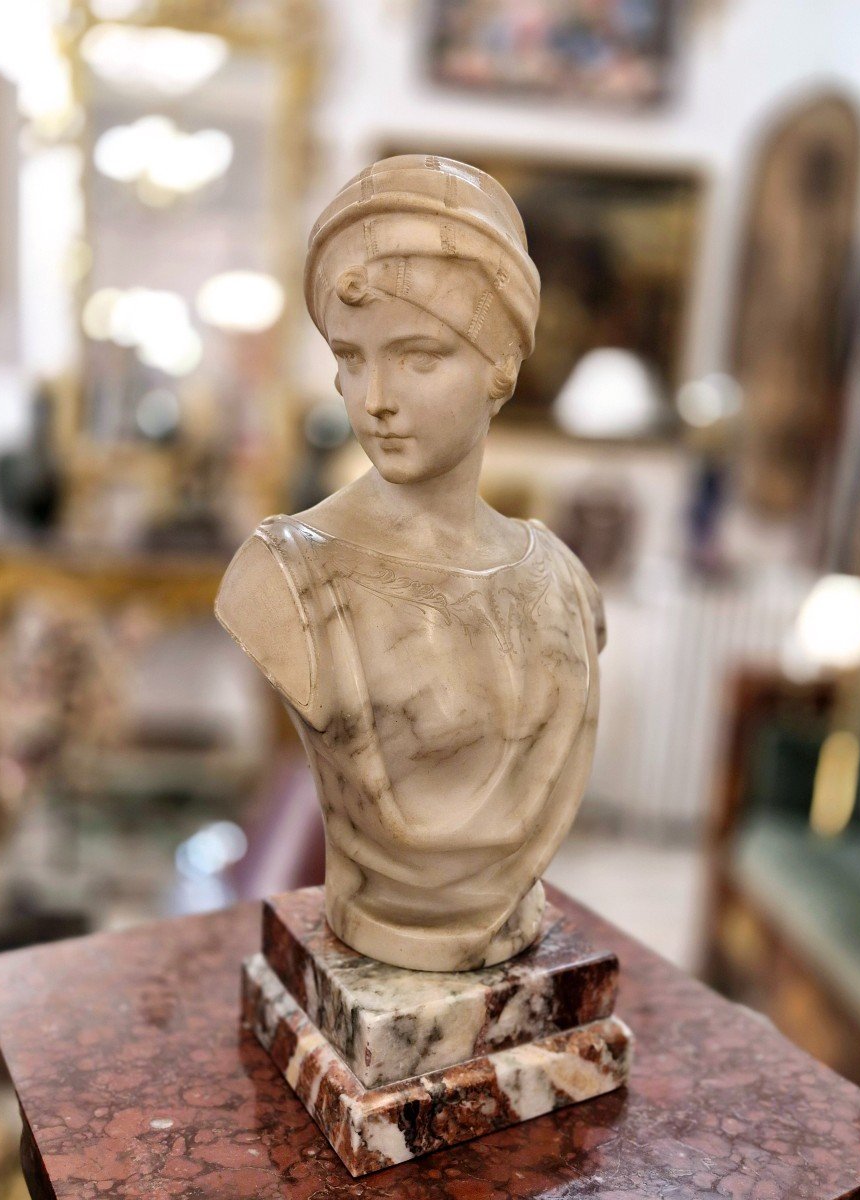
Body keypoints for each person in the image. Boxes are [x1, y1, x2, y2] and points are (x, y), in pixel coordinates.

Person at [216, 155, 604, 971]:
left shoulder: (562, 585)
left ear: (501, 367)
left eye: (420, 357)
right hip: (367, 933)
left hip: (509, 942)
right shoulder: (284, 577)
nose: (375, 398)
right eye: (352, 359)